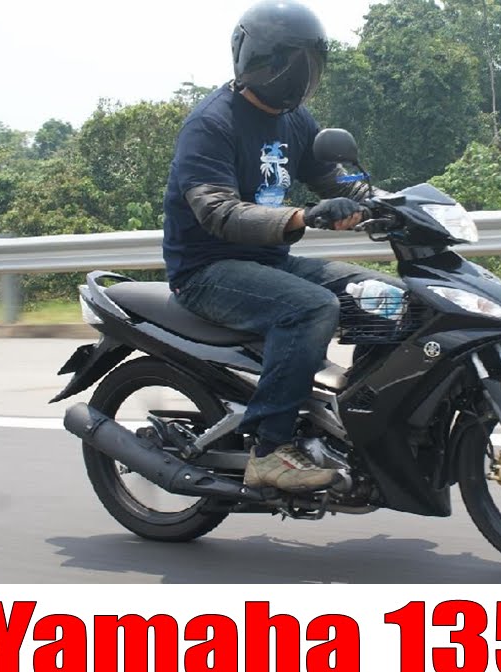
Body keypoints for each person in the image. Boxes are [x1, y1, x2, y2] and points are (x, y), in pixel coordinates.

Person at [163, 0, 402, 493]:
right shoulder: (211, 124)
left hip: (270, 262)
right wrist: (302, 216)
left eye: (309, 63)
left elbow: (334, 178)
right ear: (256, 57)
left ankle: (359, 419)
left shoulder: (296, 121)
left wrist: (386, 202)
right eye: (289, 62)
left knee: (389, 300)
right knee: (311, 308)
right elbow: (218, 211)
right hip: (207, 271)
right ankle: (268, 450)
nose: (299, 74)